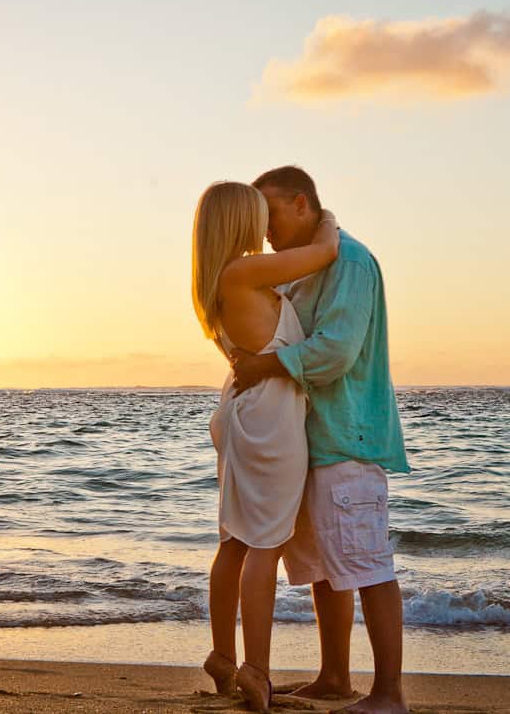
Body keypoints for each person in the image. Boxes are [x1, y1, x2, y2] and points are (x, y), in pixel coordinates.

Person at [231, 166, 411, 714]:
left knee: (367, 563)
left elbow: (335, 352)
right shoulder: (307, 269)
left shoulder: (350, 262)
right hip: (309, 440)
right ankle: (334, 677)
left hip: (348, 436)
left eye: (272, 215)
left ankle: (389, 695)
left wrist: (264, 366)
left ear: (302, 204)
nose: (264, 231)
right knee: (327, 569)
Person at [190, 181, 340, 713]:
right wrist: (327, 216)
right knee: (264, 542)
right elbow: (324, 253)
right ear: (239, 222)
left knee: (233, 538)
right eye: (259, 216)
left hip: (240, 412)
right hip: (269, 417)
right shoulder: (243, 272)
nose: (266, 228)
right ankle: (255, 669)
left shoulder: (215, 281)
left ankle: (223, 657)